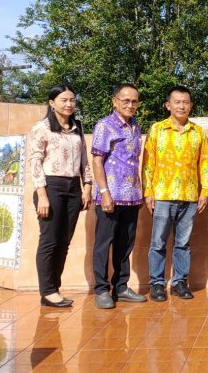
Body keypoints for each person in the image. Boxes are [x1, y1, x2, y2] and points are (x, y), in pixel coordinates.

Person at [143, 85, 208, 302]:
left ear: (191, 105)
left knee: (183, 243)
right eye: (177, 102)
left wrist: (205, 191)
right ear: (168, 105)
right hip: (162, 195)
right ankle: (157, 284)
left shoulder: (198, 132)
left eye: (186, 102)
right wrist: (148, 191)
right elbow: (148, 163)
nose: (182, 106)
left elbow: (205, 164)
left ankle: (180, 282)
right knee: (158, 242)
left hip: (189, 196)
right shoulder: (157, 129)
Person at [27, 84, 92, 307]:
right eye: (63, 100)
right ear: (52, 103)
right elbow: (35, 162)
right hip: (50, 186)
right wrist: (42, 195)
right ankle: (47, 291)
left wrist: (88, 186)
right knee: (49, 240)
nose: (69, 104)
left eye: (72, 100)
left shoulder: (77, 127)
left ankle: (54, 289)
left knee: (64, 242)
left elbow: (84, 159)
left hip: (73, 188)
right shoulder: (42, 128)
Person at [91, 83, 147, 309]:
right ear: (115, 101)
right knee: (104, 244)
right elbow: (97, 160)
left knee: (125, 245)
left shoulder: (135, 126)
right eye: (125, 100)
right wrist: (104, 193)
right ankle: (102, 290)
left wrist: (140, 193)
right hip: (110, 196)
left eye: (134, 101)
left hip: (131, 196)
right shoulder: (105, 126)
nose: (130, 105)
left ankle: (121, 287)